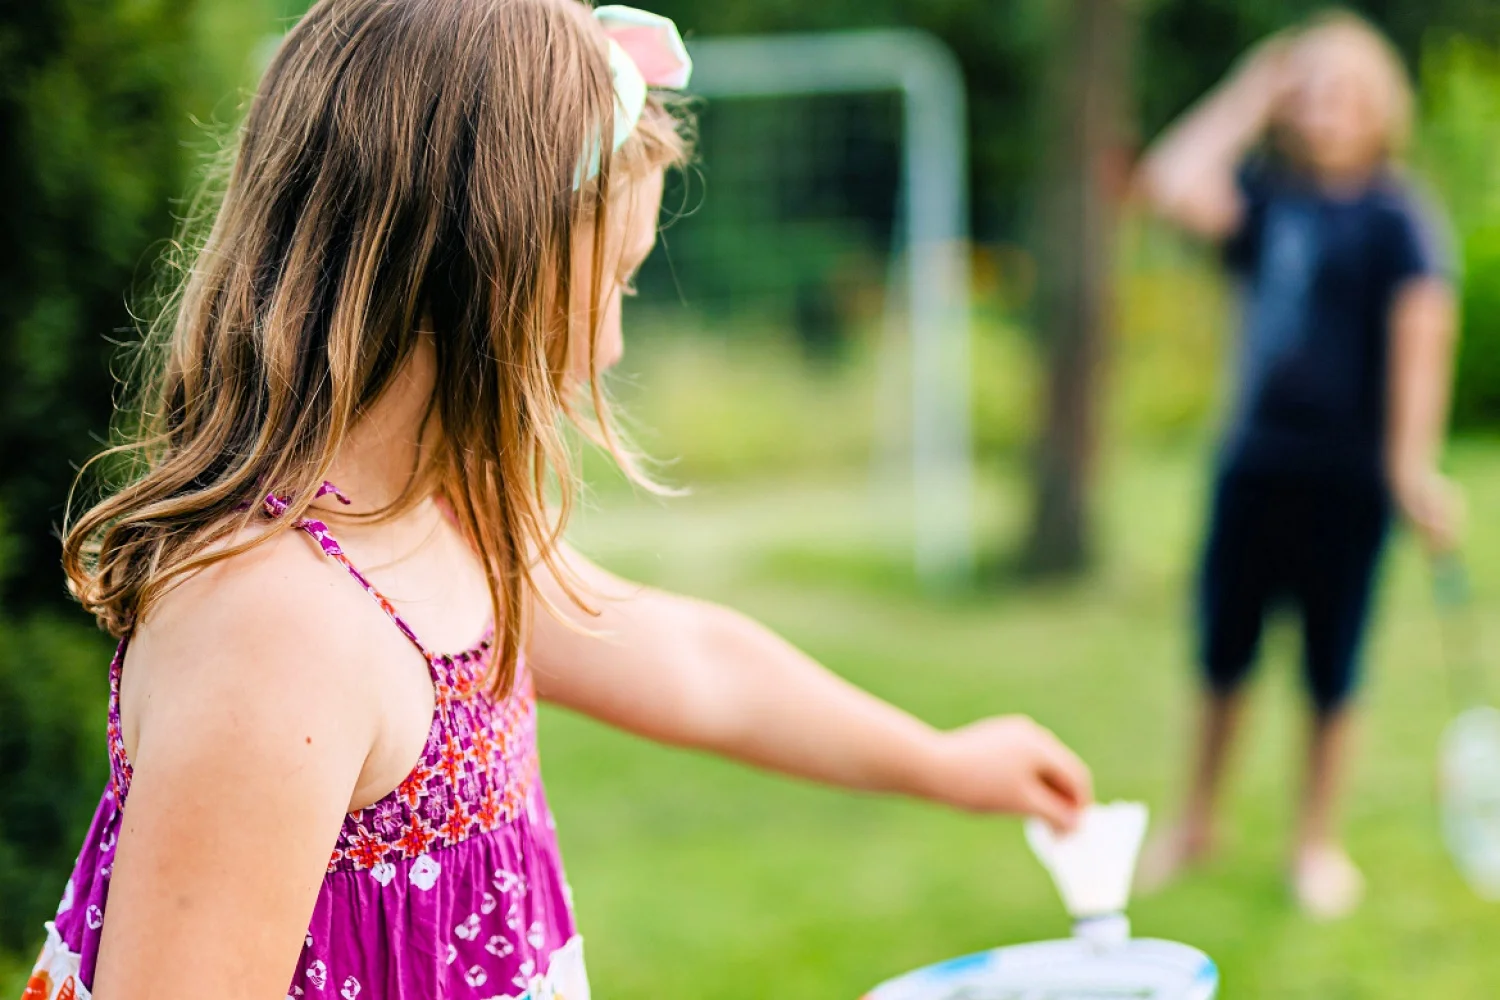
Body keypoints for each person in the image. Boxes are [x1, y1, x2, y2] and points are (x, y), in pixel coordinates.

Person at [19, 3, 1094, 999]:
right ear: (486, 266)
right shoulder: (279, 632)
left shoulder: (436, 524)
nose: (617, 339)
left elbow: (695, 663)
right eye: (615, 280)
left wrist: (944, 759)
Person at [1135, 11, 1461, 919]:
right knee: (1223, 654)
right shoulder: (1265, 196)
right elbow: (1166, 182)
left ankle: (1315, 845)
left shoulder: (1402, 219)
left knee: (1331, 667)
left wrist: (1412, 473)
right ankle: (1196, 822)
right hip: (1254, 464)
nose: (1325, 110)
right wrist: (1249, 89)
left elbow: (1421, 346)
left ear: (1380, 106)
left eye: (1343, 91)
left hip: (1349, 482)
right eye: (1309, 91)